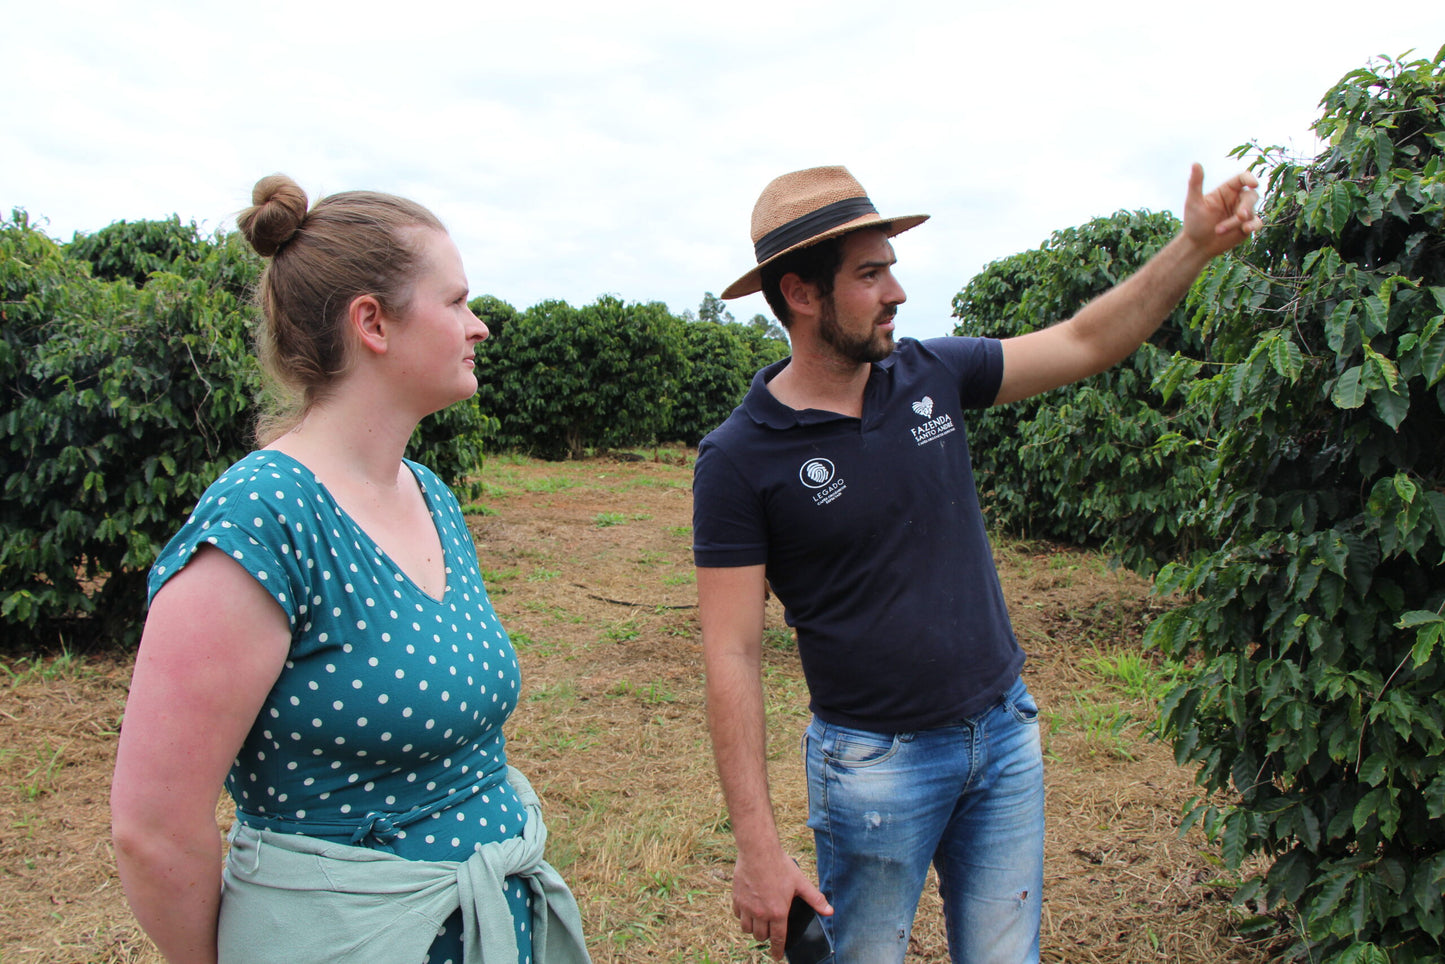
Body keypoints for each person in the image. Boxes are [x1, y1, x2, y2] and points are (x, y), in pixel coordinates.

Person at [692, 164, 1261, 963]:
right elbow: (731, 652)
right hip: (873, 769)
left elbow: (1086, 340)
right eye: (869, 274)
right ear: (800, 293)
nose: (895, 292)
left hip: (1002, 736)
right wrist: (757, 849)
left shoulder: (931, 374)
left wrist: (1192, 246)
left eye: (889, 268)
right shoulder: (738, 457)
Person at [110, 176, 590, 964]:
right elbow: (153, 830)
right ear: (372, 323)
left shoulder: (428, 495)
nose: (479, 326)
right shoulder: (264, 519)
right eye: (456, 301)